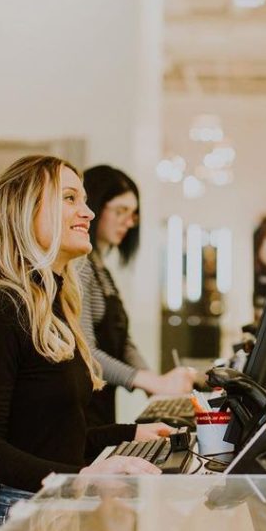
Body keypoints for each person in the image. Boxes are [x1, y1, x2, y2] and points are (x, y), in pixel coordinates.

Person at [0, 156, 172, 531]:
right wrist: (85, 476)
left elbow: (51, 436)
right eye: (70, 198)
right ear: (25, 212)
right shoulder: (2, 308)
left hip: (48, 510)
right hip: (10, 518)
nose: (87, 212)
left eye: (85, 200)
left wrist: (131, 434)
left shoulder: (54, 303)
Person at [79, 165, 195, 427]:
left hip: (103, 406)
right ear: (94, 207)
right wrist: (148, 381)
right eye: (120, 211)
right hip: (83, 412)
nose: (129, 222)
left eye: (133, 215)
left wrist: (155, 382)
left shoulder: (100, 269)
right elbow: (85, 352)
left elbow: (123, 341)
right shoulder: (80, 267)